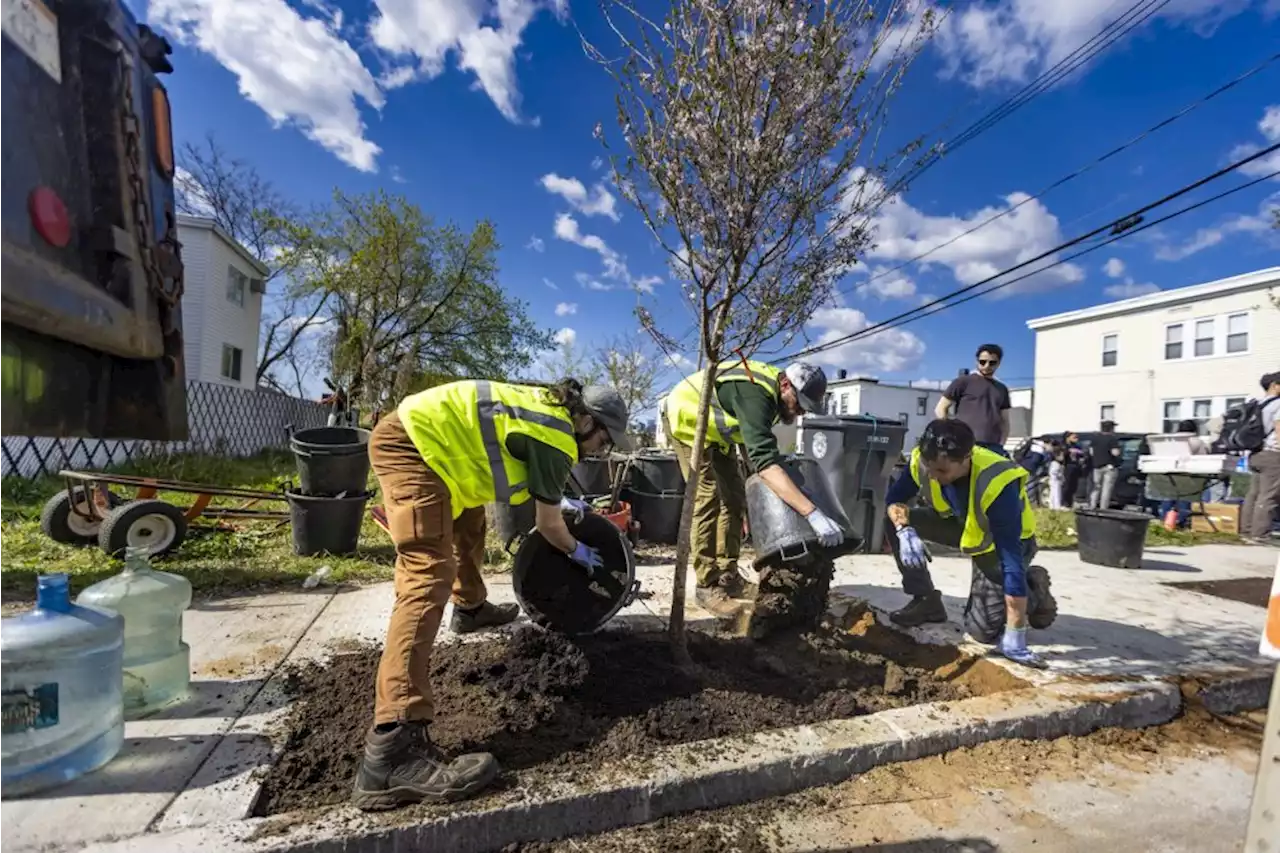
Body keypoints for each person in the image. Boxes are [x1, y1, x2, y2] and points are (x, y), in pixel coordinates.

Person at [352, 378, 632, 811]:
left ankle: (471, 607)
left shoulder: (551, 416)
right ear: (588, 420)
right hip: (411, 447)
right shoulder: (556, 435)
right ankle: (392, 748)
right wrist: (580, 552)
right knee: (425, 579)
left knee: (469, 523)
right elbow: (551, 529)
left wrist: (566, 505)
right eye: (604, 439)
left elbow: (535, 491)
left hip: (435, 448)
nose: (601, 450)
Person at [661, 359, 843, 614]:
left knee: (735, 496)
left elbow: (759, 455)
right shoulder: (757, 396)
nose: (801, 412)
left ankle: (727, 574)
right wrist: (810, 512)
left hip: (717, 434)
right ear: (785, 384)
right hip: (687, 418)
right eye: (800, 404)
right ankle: (707, 583)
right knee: (708, 496)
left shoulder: (772, 398)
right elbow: (766, 465)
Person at [883, 419, 1057, 668]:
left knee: (982, 633)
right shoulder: (924, 459)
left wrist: (1016, 632)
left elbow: (1011, 562)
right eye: (929, 467)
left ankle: (1035, 590)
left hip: (1001, 543)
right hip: (961, 526)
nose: (932, 475)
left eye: (941, 471)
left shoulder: (998, 482)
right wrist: (904, 529)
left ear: (966, 458)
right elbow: (895, 498)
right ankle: (925, 600)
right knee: (892, 517)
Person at [936, 344, 1012, 456]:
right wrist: (949, 433)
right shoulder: (963, 382)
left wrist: (1001, 443)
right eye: (983, 362)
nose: (987, 366)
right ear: (976, 361)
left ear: (999, 363)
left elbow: (1005, 420)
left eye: (992, 363)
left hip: (993, 446)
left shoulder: (1002, 389)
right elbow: (940, 408)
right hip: (964, 442)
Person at [1241, 372, 1280, 545]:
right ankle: (1260, 534)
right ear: (1275, 385)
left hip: (1256, 453)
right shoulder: (1278, 404)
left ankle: (1247, 530)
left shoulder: (1257, 403)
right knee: (1269, 495)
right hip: (1273, 454)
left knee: (1254, 494)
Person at [1155, 419, 1207, 530]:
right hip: (1188, 475)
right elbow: (1203, 458)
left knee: (1168, 497)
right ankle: (1181, 522)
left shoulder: (1171, 440)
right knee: (1185, 498)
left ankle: (1166, 521)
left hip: (1169, 473)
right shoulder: (1197, 441)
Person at [1088, 420, 1123, 510]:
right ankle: (1103, 508)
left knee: (1096, 487)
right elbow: (1115, 452)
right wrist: (1119, 452)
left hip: (1096, 466)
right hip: (1109, 466)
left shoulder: (1095, 438)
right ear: (1111, 429)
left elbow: (1091, 452)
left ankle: (1092, 506)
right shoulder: (1112, 439)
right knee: (1106, 489)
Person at [1047, 446, 1066, 511]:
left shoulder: (1057, 464)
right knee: (1056, 493)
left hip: (1055, 481)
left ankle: (1052, 506)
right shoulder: (1055, 464)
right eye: (1061, 455)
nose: (1063, 457)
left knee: (1053, 493)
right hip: (1055, 481)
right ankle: (1057, 506)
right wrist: (1059, 475)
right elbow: (1053, 472)